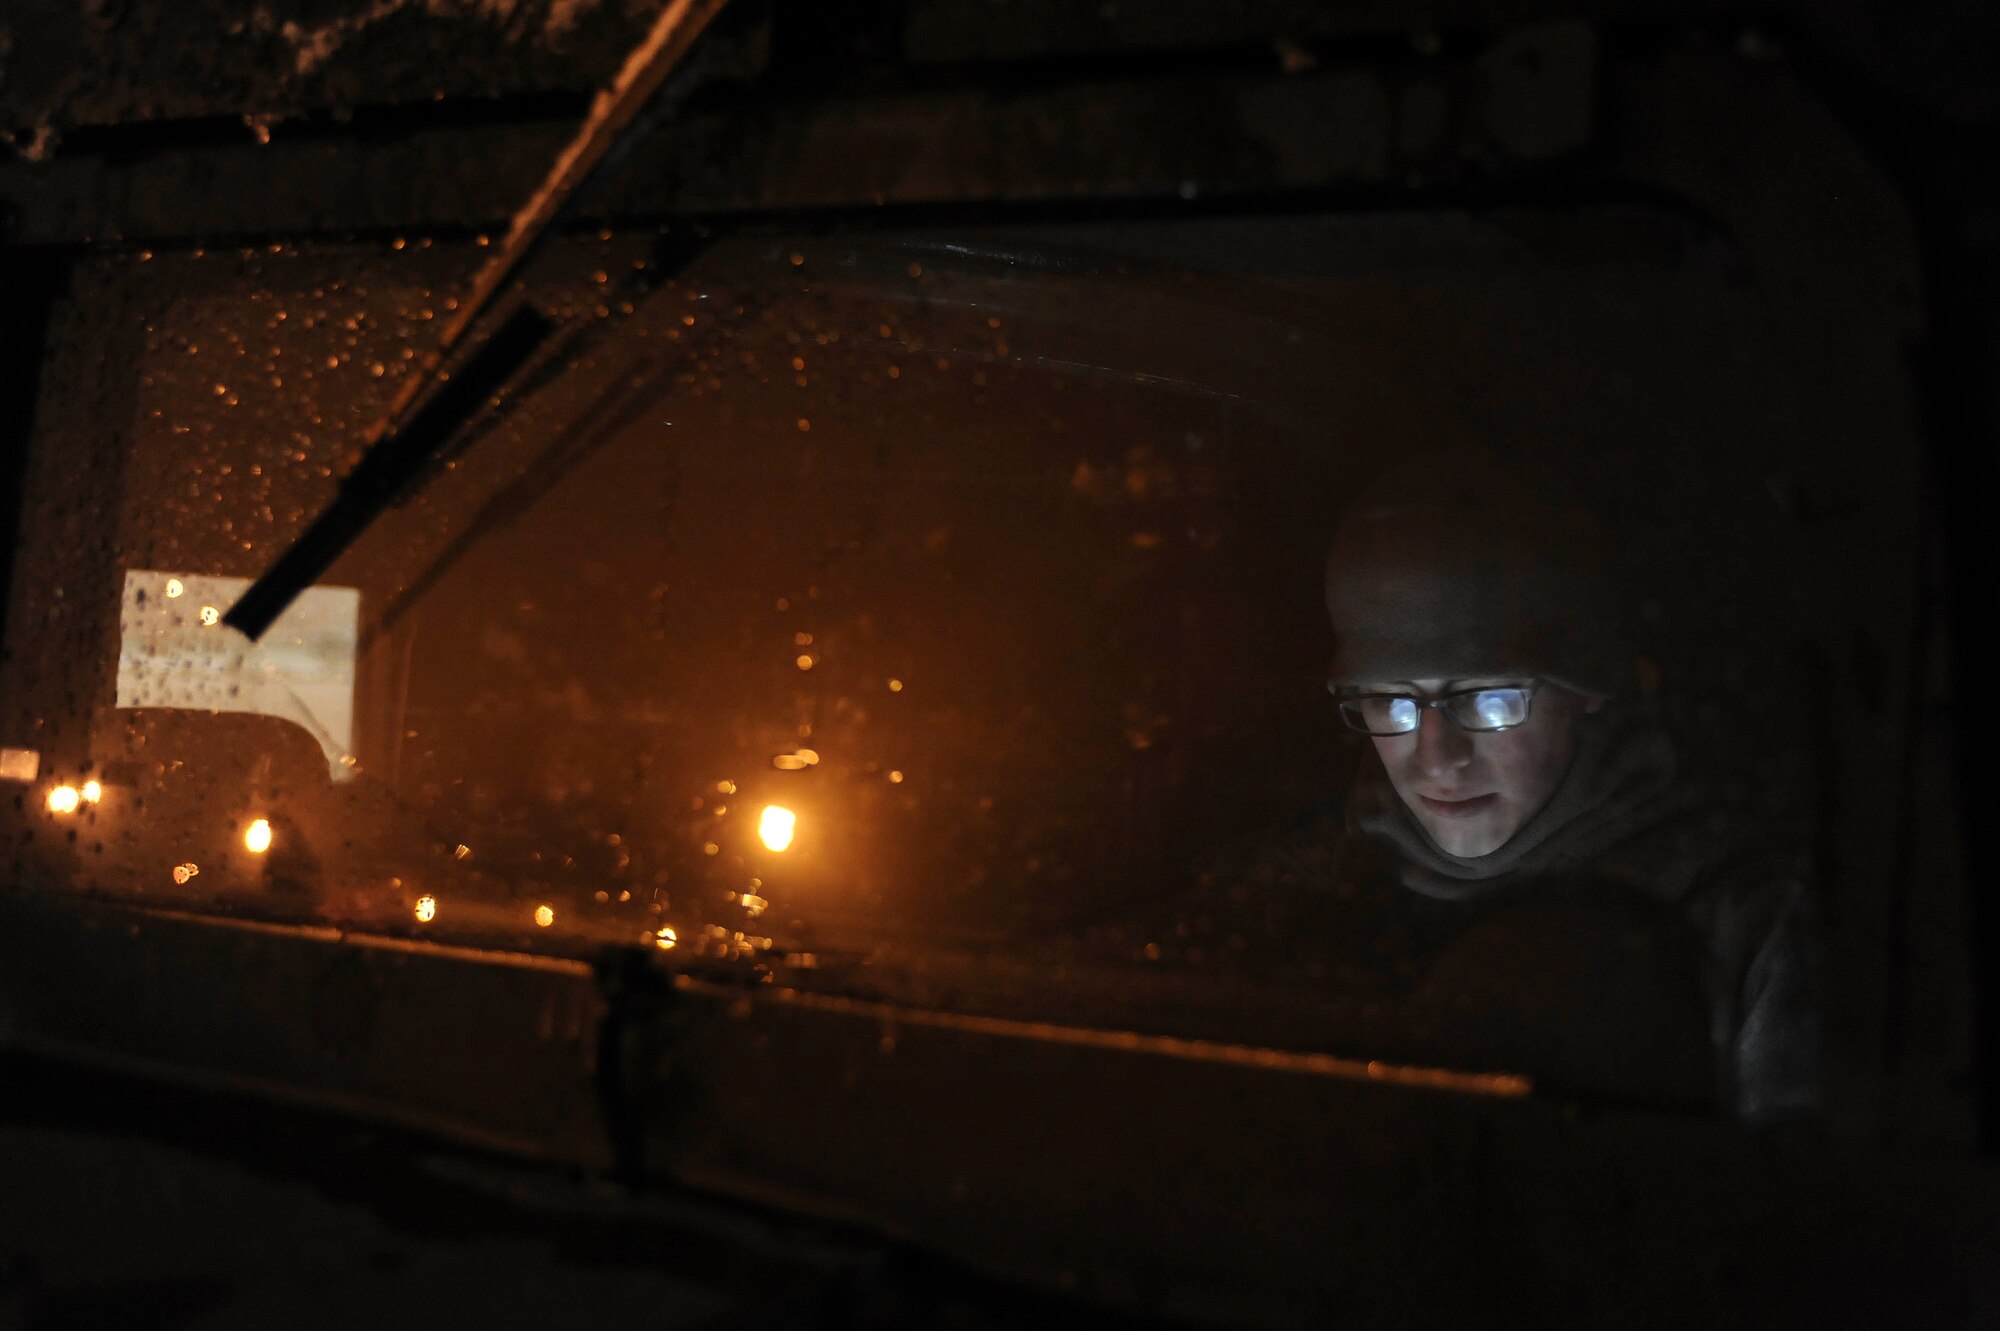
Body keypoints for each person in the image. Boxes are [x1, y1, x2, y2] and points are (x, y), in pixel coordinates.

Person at [1182, 448, 1822, 1123]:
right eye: (1393, 702)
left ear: (1589, 689)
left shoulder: (1746, 927)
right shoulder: (1292, 899)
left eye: (1488, 698)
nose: (1438, 758)